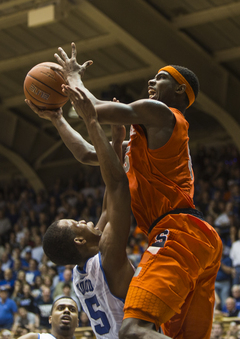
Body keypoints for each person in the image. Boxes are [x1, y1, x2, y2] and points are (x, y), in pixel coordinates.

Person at [26, 43, 222, 338]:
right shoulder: (142, 144)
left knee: (134, 331)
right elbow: (87, 154)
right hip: (193, 235)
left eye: (160, 78)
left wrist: (73, 79)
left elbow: (94, 112)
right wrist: (60, 118)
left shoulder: (162, 114)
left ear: (180, 90)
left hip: (179, 230)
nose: (151, 82)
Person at [40, 92, 143, 339]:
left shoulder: (81, 272)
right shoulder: (107, 256)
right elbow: (118, 189)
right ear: (79, 241)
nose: (85, 221)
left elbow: (108, 208)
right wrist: (92, 121)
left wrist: (117, 143)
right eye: (78, 224)